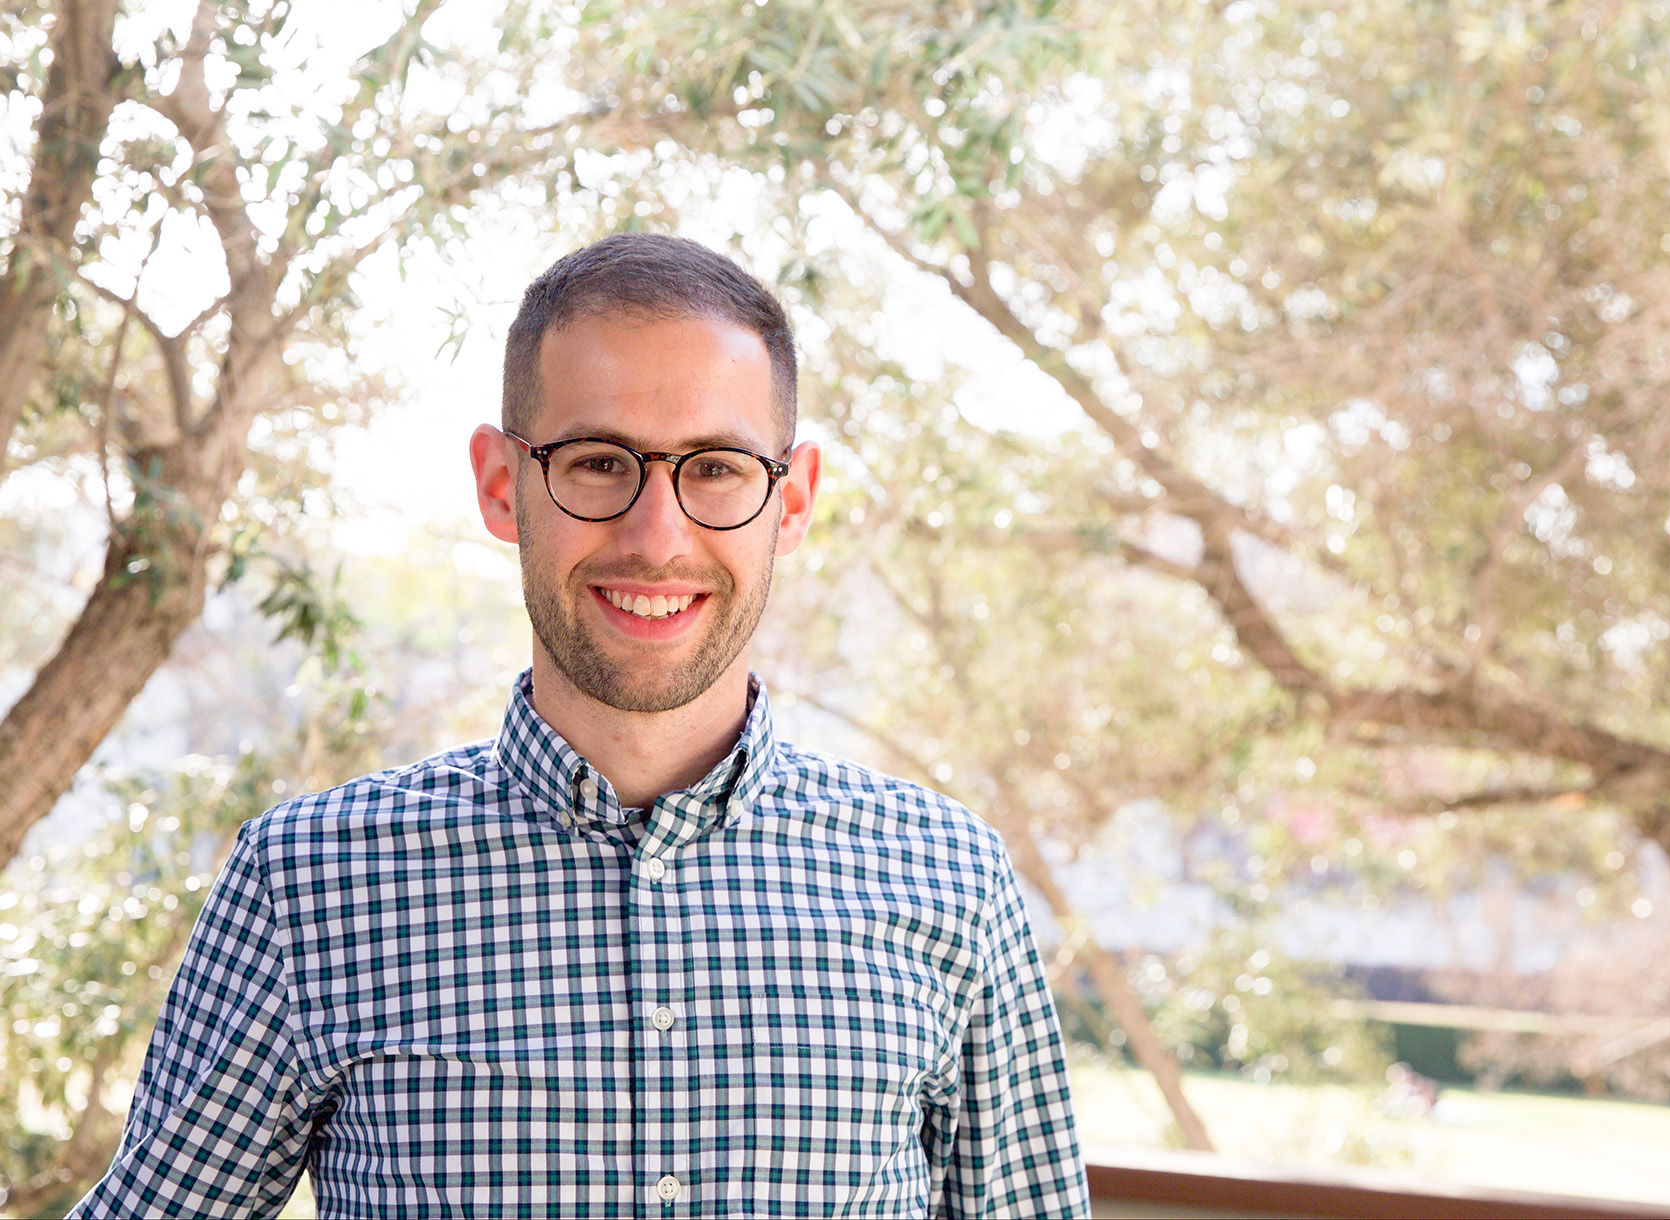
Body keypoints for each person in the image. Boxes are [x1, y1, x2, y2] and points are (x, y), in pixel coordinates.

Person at [70, 233, 1089, 1218]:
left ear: (792, 498)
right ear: (502, 483)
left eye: (718, 467)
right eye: (600, 462)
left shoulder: (950, 879)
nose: (658, 537)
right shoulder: (310, 886)